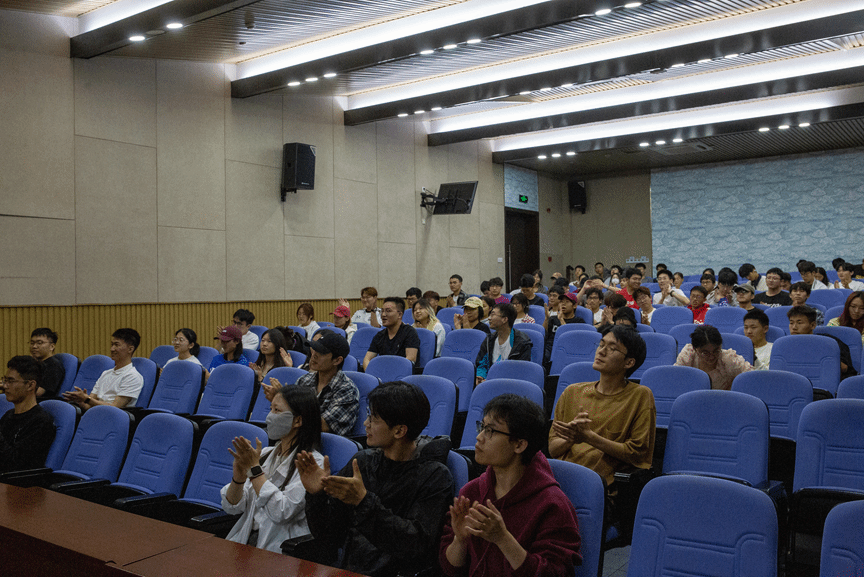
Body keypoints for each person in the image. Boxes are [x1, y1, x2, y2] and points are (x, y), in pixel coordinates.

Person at [296, 381, 454, 576]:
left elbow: (414, 544)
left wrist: (363, 502)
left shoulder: (435, 477)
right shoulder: (362, 462)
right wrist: (316, 496)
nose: (366, 423)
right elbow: (328, 536)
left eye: (374, 419)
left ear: (399, 431)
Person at [440, 394, 582, 577]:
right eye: (482, 427)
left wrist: (503, 539)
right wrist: (460, 540)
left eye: (490, 431)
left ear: (519, 445)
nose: (479, 437)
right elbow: (450, 569)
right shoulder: (471, 492)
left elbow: (555, 573)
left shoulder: (553, 505)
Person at [550, 326, 654, 504]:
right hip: (559, 484)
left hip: (601, 491)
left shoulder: (640, 396)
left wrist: (589, 437)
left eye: (612, 348)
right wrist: (571, 439)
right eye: (601, 344)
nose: (601, 351)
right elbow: (553, 449)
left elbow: (638, 454)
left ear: (629, 362)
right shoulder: (572, 392)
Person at [221, 386, 324, 553]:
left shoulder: (313, 464)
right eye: (270, 409)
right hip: (246, 541)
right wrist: (238, 479)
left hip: (280, 551)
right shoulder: (265, 454)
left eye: (277, 410)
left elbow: (281, 512)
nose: (269, 416)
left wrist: (255, 470)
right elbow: (232, 507)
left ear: (298, 421)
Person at [265, 332, 359, 436]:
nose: (314, 355)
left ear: (337, 360)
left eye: (321, 352)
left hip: (322, 442)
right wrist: (280, 402)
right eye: (314, 349)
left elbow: (323, 426)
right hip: (297, 437)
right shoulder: (304, 380)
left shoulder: (347, 389)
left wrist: (285, 403)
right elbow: (292, 414)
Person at [63, 328, 144, 410]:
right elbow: (88, 405)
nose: (112, 349)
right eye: (112, 345)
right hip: (95, 413)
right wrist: (80, 401)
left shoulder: (133, 376)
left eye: (116, 345)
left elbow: (115, 407)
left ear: (130, 349)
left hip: (112, 416)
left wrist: (86, 399)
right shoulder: (106, 373)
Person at [1, 356, 56, 473]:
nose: (5, 386)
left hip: (16, 481)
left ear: (30, 385)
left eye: (11, 381)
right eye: (5, 380)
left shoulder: (41, 422)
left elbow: (14, 463)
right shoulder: (8, 415)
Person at [674, 325, 752, 390]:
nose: (711, 357)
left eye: (716, 351)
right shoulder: (688, 355)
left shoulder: (728, 359)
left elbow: (751, 376)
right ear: (695, 349)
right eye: (705, 353)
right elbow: (675, 379)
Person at [789, 305, 857, 379]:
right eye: (791, 323)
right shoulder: (786, 345)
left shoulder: (829, 343)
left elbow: (845, 368)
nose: (794, 327)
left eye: (799, 323)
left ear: (813, 325)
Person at [475, 304, 532, 384]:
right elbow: (482, 363)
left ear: (504, 319)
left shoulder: (522, 342)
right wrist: (481, 376)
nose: (489, 318)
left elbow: (520, 371)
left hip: (511, 384)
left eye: (493, 315)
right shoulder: (489, 340)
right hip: (489, 382)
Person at [363, 297, 421, 369]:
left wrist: (391, 372)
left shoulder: (410, 332)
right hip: (383, 372)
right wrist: (371, 372)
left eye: (388, 311)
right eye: (382, 311)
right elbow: (367, 359)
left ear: (400, 315)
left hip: (402, 374)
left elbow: (410, 360)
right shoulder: (379, 335)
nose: (383, 315)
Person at [28, 328, 65, 398]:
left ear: (52, 346)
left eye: (39, 343)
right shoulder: (34, 364)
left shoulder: (53, 365)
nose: (34, 346)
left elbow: (39, 392)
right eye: (32, 343)